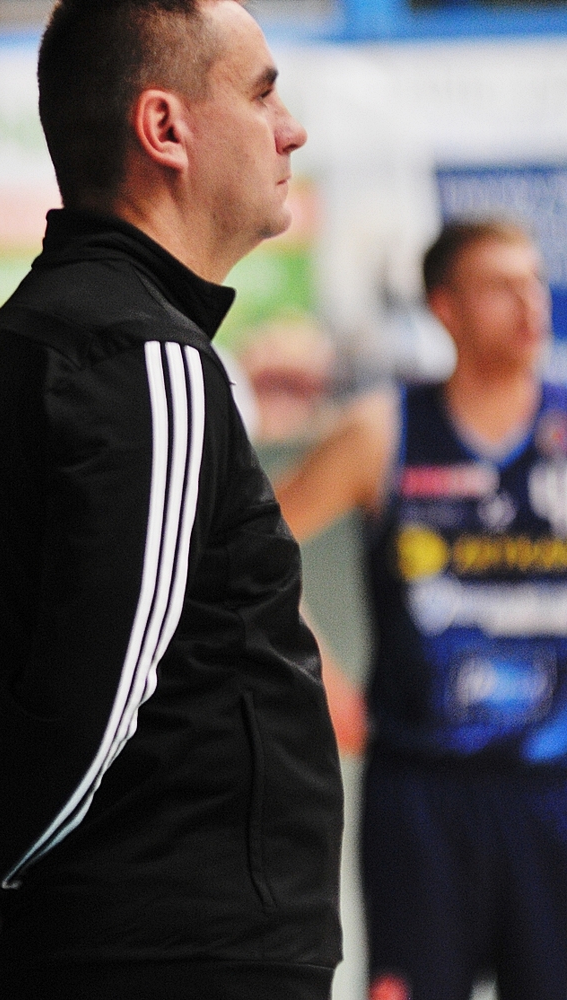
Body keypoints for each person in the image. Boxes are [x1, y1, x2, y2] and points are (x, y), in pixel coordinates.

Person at [0, 0, 344, 996]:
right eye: (261, 95)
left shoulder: (19, 346)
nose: (291, 131)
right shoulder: (143, 354)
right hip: (178, 955)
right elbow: (92, 690)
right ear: (164, 128)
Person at [274, 219, 567, 1000]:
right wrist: (317, 680)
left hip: (553, 787)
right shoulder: (383, 429)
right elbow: (248, 551)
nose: (529, 304)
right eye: (501, 287)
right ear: (446, 308)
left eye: (533, 282)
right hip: (422, 791)